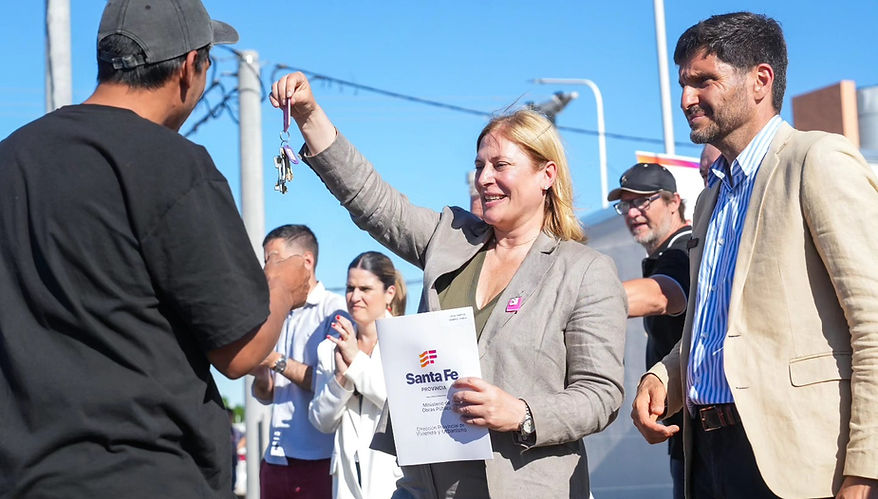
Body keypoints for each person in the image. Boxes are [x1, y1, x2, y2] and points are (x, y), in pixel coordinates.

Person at [0, 1, 310, 496]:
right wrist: (283, 285)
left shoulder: (12, 156)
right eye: (208, 63)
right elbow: (242, 349)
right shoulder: (170, 163)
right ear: (189, 67)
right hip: (145, 473)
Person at [270, 72, 628, 498]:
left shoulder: (584, 270)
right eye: (479, 166)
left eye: (500, 165)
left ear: (546, 175)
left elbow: (600, 395)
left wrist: (520, 412)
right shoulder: (451, 238)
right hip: (426, 486)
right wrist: (309, 115)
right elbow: (372, 199)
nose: (484, 178)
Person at [630, 12, 878, 499]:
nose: (686, 100)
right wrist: (665, 376)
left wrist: (866, 469)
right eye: (683, 84)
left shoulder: (816, 160)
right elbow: (718, 329)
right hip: (706, 459)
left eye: (703, 81)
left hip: (797, 469)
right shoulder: (710, 200)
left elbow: (873, 322)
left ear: (761, 80)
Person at [608, 162, 691, 499]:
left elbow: (661, 295)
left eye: (643, 200)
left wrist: (574, 299)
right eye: (626, 204)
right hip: (685, 434)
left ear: (674, 202)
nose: (632, 212)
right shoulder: (667, 254)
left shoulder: (684, 248)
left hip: (706, 434)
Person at [252, 225, 348, 499]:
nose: (267, 269)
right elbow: (266, 395)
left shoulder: (334, 309)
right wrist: (261, 374)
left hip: (319, 459)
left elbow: (331, 383)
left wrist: (273, 359)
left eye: (274, 260)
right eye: (266, 261)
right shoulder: (272, 310)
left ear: (307, 261)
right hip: (275, 458)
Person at [309, 251, 407, 499]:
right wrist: (341, 381)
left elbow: (404, 406)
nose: (355, 297)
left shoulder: (408, 341)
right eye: (350, 288)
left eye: (365, 289)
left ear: (389, 293)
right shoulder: (329, 348)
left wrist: (356, 362)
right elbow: (321, 421)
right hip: (347, 481)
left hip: (396, 481)